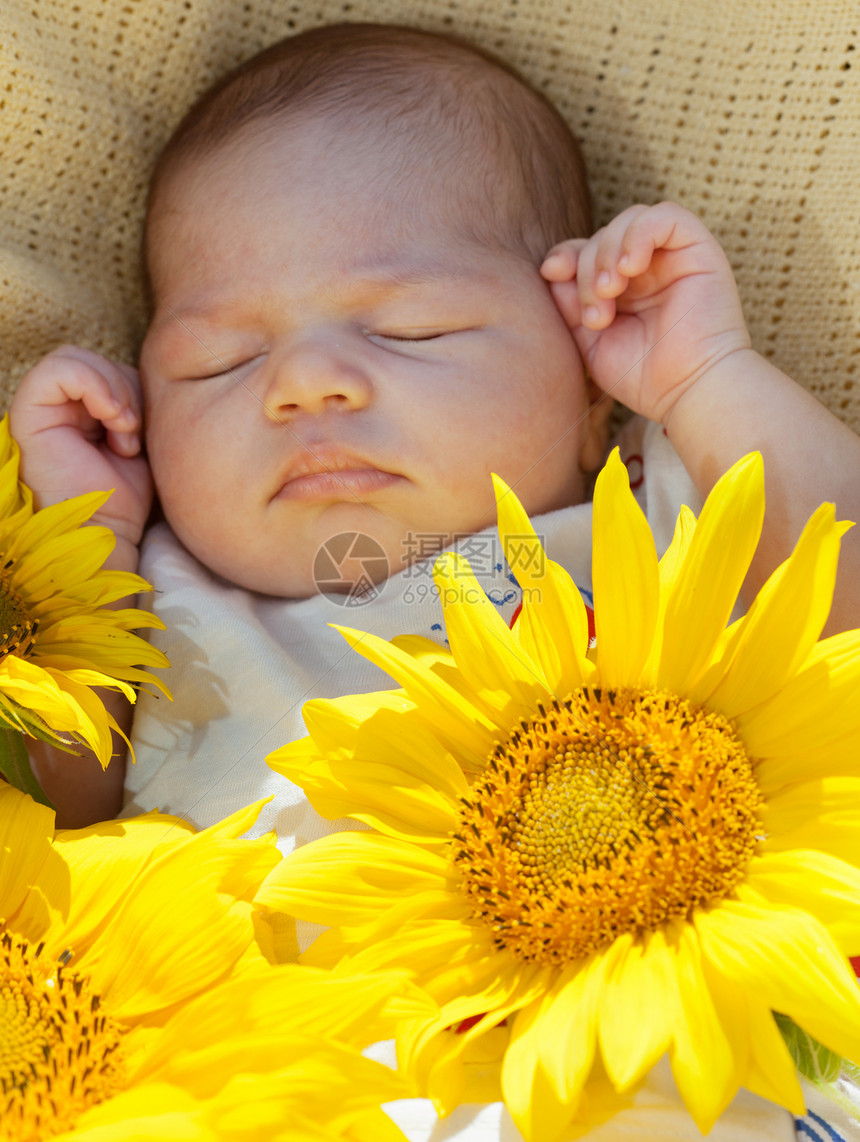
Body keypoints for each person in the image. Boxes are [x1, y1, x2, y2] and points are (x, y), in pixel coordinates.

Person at [9, 21, 860, 839]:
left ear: (590, 390)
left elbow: (843, 593)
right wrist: (88, 535)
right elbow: (55, 807)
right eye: (218, 362)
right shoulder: (169, 597)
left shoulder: (650, 507)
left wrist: (707, 377)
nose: (302, 385)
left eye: (412, 331)